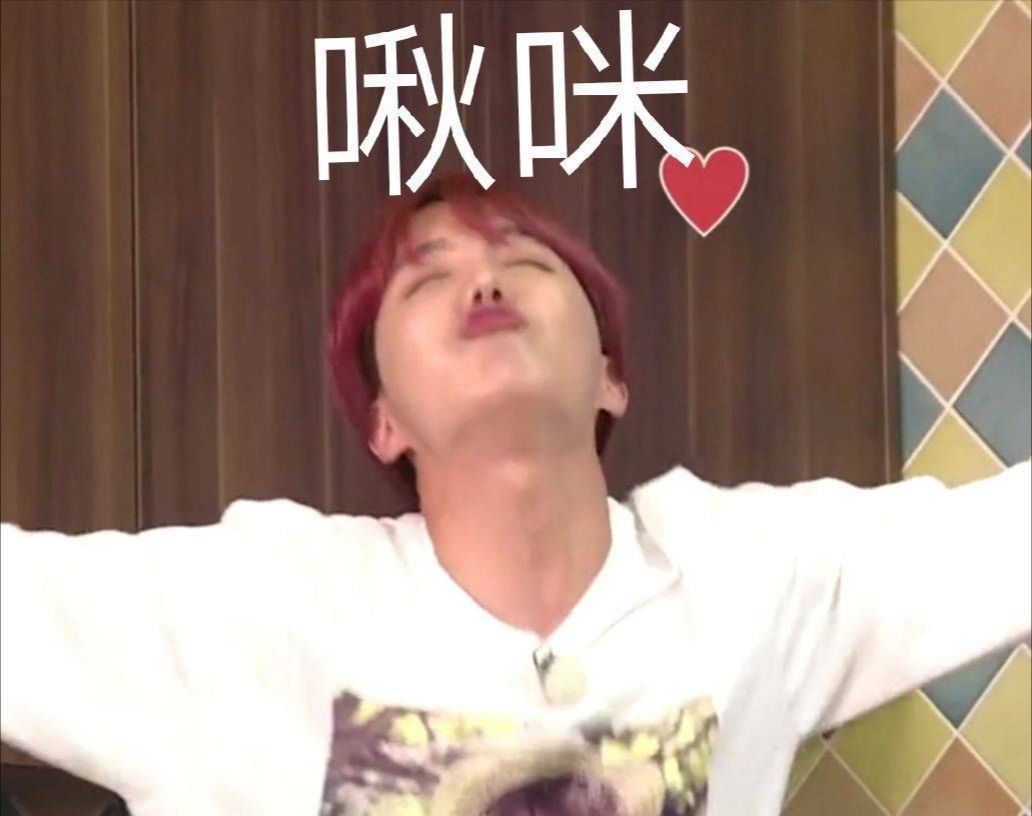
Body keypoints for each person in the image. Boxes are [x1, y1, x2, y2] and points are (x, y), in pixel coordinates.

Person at [1, 173, 1029, 816]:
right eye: (424, 279)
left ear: (611, 378)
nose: (484, 284)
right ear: (382, 420)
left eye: (526, 262)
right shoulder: (256, 608)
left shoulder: (748, 573)